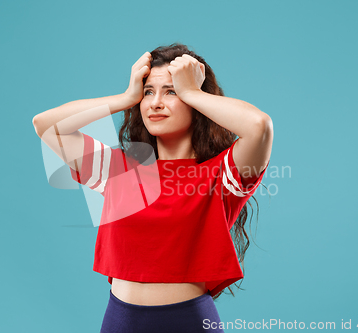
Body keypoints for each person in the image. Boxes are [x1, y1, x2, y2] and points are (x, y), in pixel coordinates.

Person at [32, 43, 273, 333]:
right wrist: (125, 97)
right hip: (120, 322)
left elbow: (259, 126)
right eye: (148, 92)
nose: (155, 103)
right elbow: (46, 125)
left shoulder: (222, 175)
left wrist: (193, 92)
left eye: (171, 91)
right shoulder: (119, 171)